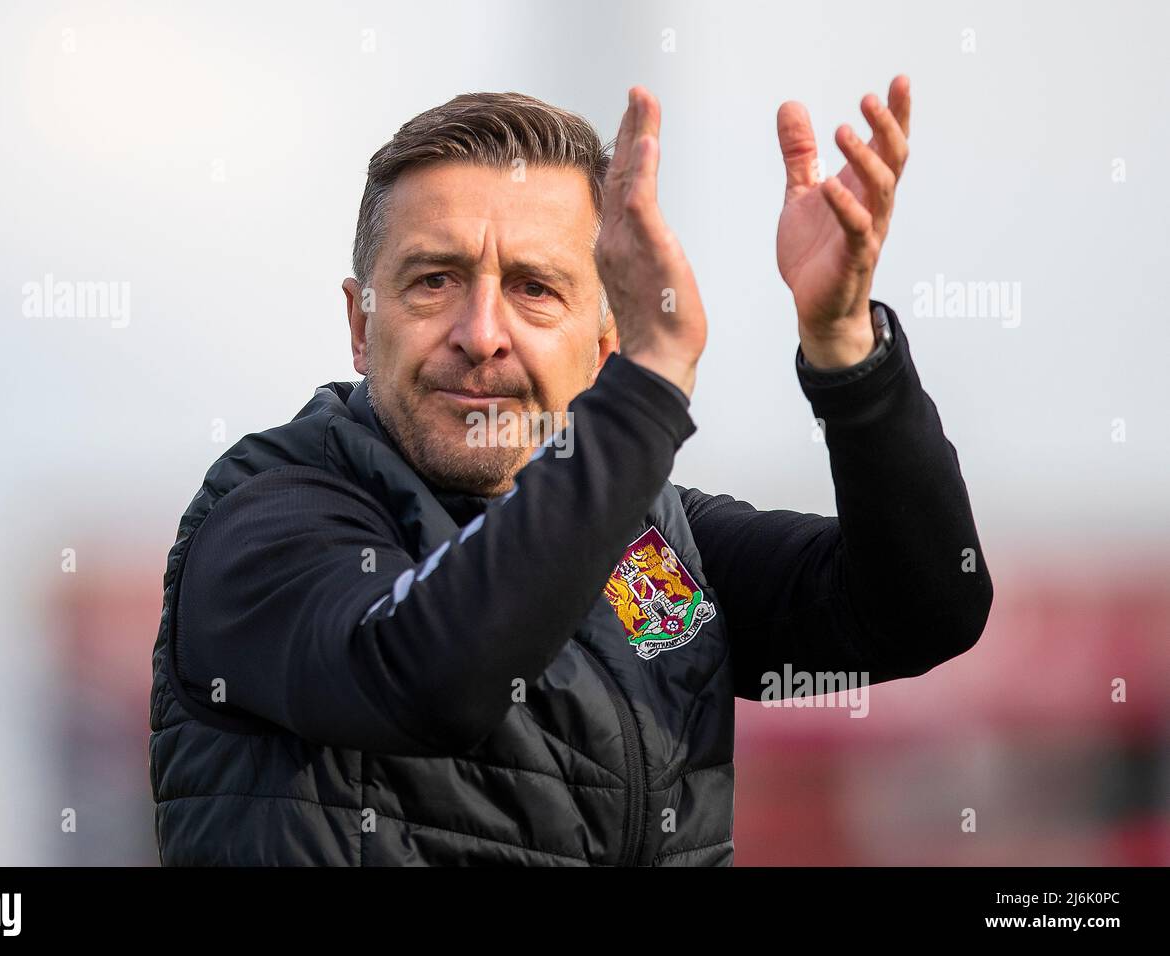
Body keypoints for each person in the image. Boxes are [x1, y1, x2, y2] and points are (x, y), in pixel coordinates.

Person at [148, 76, 993, 866]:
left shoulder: (651, 546)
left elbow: (921, 609)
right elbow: (431, 677)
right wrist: (651, 390)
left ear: (601, 344)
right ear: (362, 325)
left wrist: (848, 350)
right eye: (433, 281)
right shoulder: (268, 519)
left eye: (534, 288)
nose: (481, 333)